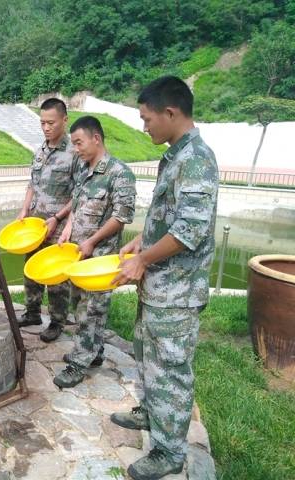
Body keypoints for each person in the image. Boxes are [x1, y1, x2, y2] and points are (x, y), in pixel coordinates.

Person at [111, 76, 219, 480]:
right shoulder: (176, 155)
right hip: (158, 286)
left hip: (177, 292)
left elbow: (190, 231)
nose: (144, 127)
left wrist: (142, 262)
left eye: (146, 119)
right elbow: (168, 218)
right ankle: (151, 412)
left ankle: (170, 451)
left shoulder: (196, 160)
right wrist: (139, 242)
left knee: (171, 370)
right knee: (147, 354)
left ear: (170, 113)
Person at [53, 116, 136, 388]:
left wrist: (91, 241)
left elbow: (121, 217)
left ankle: (79, 363)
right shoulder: (85, 170)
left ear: (96, 139)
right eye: (74, 143)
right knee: (79, 305)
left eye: (79, 142)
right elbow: (77, 205)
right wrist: (68, 228)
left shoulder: (119, 174)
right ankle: (94, 352)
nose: (75, 148)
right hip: (79, 256)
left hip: (99, 258)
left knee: (92, 311)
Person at [17, 98, 76, 342]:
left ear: (64, 120)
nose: (46, 127)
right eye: (42, 123)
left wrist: (58, 218)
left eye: (51, 122)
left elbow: (80, 193)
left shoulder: (75, 153)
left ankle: (57, 321)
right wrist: (24, 210)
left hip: (59, 227)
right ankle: (32, 313)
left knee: (55, 278)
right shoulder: (40, 151)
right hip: (35, 225)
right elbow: (32, 184)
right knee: (31, 270)